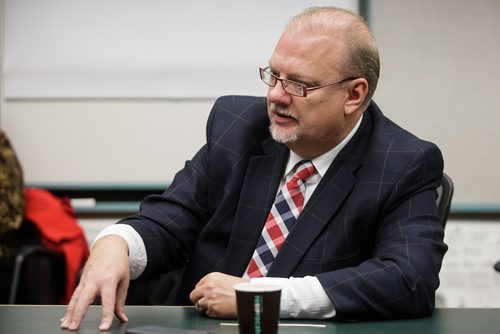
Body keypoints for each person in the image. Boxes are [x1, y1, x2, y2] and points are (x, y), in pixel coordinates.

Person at [61, 6, 447, 331]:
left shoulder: (403, 163)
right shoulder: (238, 126)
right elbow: (174, 218)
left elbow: (409, 280)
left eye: (299, 84)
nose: (276, 96)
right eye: (274, 75)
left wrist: (261, 298)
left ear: (353, 95)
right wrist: (117, 243)